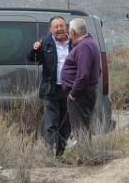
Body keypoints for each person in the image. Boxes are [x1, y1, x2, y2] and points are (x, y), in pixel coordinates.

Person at [29, 16, 72, 156]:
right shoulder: (45, 43)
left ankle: (61, 153)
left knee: (66, 124)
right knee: (51, 124)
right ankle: (50, 154)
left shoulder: (74, 43)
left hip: (69, 90)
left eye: (61, 26)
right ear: (51, 29)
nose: (59, 29)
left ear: (66, 27)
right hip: (51, 89)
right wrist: (35, 49)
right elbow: (31, 59)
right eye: (56, 27)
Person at [60, 17, 101, 144]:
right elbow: (98, 70)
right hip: (86, 91)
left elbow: (83, 74)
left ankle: (85, 157)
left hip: (80, 94)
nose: (68, 35)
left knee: (80, 128)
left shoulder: (84, 46)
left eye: (69, 32)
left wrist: (73, 93)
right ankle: (85, 155)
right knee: (82, 126)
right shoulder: (90, 43)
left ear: (73, 32)